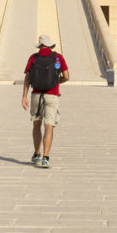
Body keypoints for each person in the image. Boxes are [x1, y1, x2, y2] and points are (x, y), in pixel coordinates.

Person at [21, 34, 69, 168]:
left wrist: (24, 96)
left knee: (37, 125)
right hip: (52, 95)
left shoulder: (33, 57)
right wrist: (55, 82)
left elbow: (27, 79)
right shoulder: (58, 57)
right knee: (49, 126)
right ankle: (46, 158)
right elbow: (67, 77)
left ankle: (36, 155)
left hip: (36, 95)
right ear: (50, 45)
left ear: (40, 46)